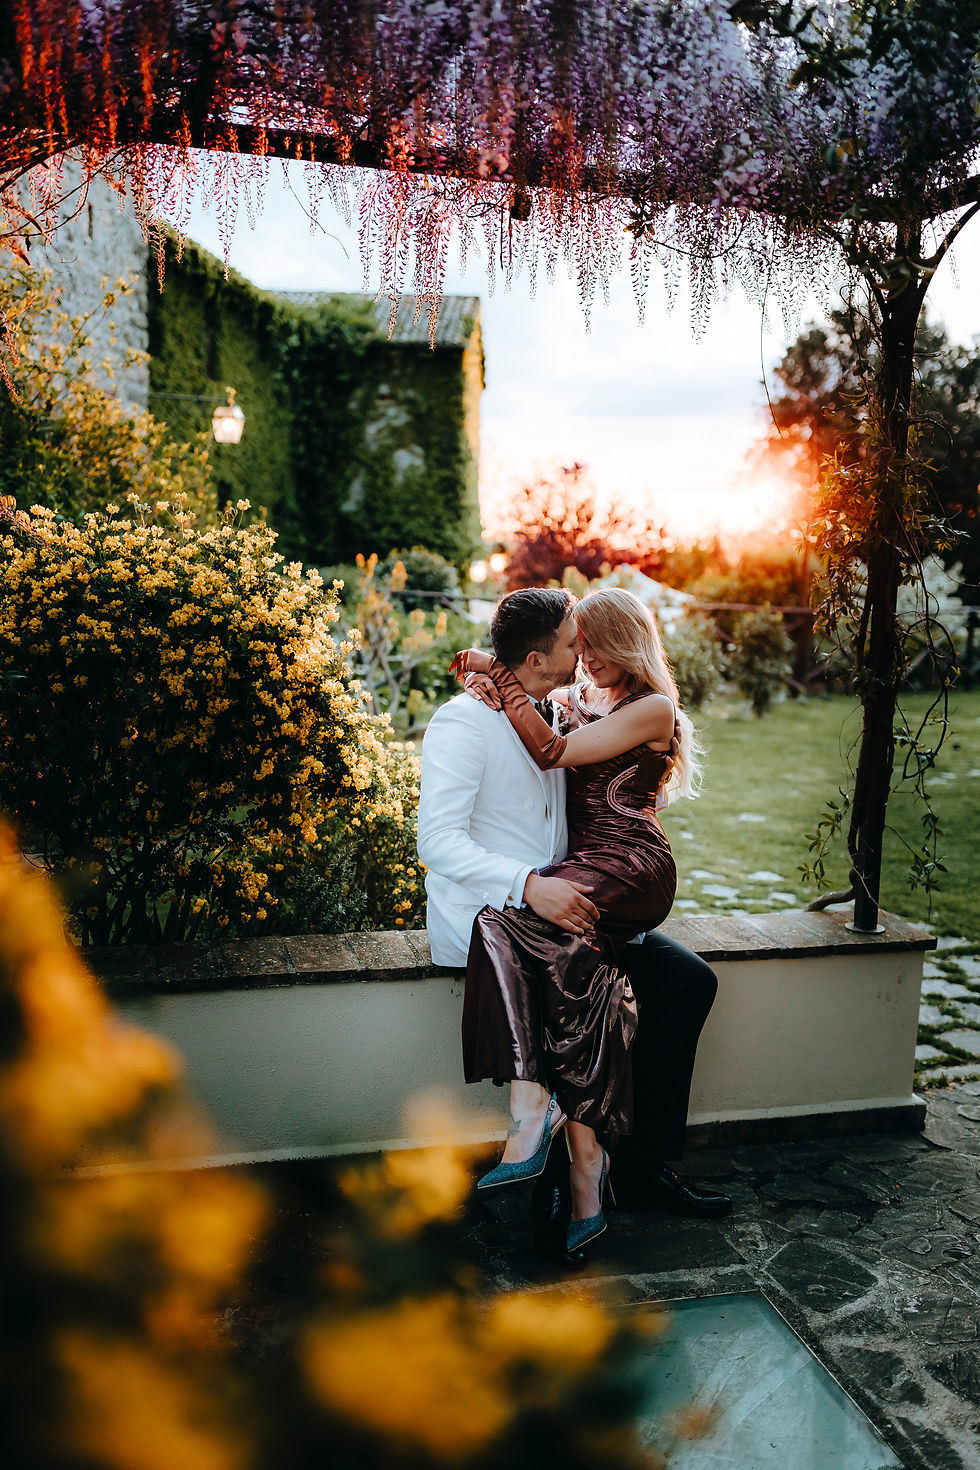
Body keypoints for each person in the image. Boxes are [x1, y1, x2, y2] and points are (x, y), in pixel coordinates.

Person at [417, 587, 730, 1263]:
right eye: (571, 644)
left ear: (618, 644)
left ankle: (618, 1157)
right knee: (580, 976)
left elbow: (551, 752)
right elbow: (441, 838)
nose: (579, 657)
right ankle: (580, 1167)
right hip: (561, 893)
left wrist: (498, 675)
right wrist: (486, 667)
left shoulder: (633, 707)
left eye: (587, 644)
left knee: (681, 983)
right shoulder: (527, 709)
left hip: (609, 880)